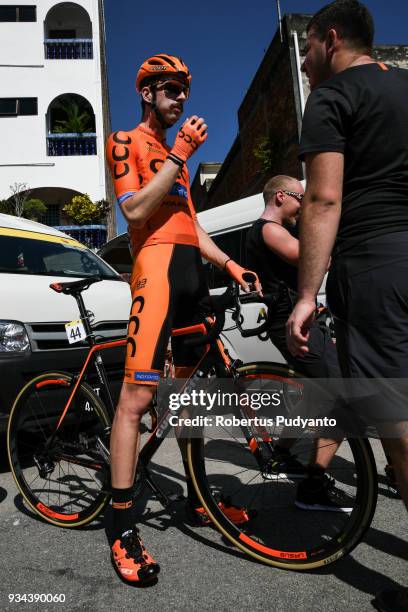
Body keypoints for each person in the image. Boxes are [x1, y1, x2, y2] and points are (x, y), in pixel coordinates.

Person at [106, 53, 261, 585]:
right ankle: (121, 524)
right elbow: (133, 210)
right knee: (136, 401)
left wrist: (232, 262)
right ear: (147, 92)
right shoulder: (127, 141)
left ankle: (197, 498)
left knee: (190, 398)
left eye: (184, 92)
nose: (181, 100)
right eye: (171, 90)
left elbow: (191, 227)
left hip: (192, 270)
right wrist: (179, 155)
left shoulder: (179, 158)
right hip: (155, 270)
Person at [285, 2, 408, 610]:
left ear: (330, 41)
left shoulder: (332, 100)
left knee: (399, 421)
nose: (305, 65)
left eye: (307, 50)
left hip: (378, 266)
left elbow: (324, 201)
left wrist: (307, 295)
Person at [246, 174, 348, 511]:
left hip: (291, 319)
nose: (303, 205)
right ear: (279, 197)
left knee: (316, 391)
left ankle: (282, 452)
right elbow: (308, 257)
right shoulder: (269, 229)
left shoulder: (264, 231)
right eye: (299, 198)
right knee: (343, 395)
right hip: (295, 321)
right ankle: (313, 487)